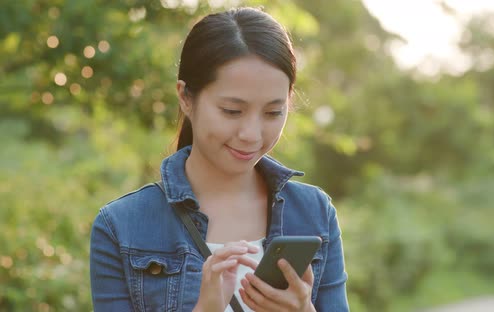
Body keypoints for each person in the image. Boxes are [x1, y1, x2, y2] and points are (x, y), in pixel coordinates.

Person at [90, 7, 349, 312]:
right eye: (232, 111)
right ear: (186, 98)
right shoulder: (122, 226)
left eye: (272, 112)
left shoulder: (314, 214)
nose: (251, 134)